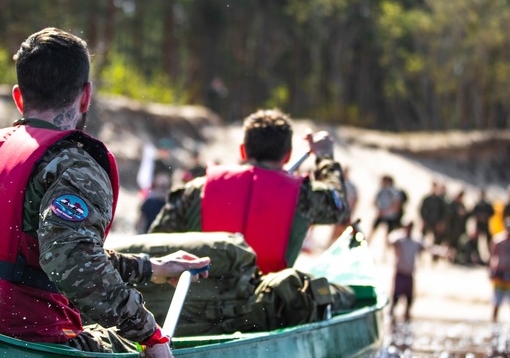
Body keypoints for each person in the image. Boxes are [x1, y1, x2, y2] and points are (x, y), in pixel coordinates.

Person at [0, 27, 209, 358]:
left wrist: (152, 268)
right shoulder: (74, 165)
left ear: (18, 98)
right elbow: (73, 263)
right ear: (86, 96)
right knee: (121, 345)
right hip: (19, 343)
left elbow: (44, 255)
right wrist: (150, 336)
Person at [148, 108, 348, 273]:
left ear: (242, 151)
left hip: (197, 305)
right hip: (262, 307)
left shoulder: (196, 189)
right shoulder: (302, 196)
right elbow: (338, 207)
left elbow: (155, 242)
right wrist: (325, 156)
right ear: (287, 156)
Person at [489, 216, 510, 322]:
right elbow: (491, 257)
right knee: (497, 300)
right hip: (499, 272)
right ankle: (494, 320)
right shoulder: (498, 241)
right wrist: (490, 272)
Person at [328, 164, 358, 247]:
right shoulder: (339, 183)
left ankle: (334, 245)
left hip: (346, 210)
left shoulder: (351, 186)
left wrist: (352, 209)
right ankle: (330, 244)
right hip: (340, 209)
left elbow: (355, 199)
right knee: (336, 228)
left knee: (342, 228)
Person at [369, 174, 404, 247]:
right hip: (381, 214)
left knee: (388, 236)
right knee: (373, 230)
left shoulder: (394, 191)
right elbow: (375, 201)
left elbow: (397, 205)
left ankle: (386, 252)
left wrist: (386, 212)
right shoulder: (381, 190)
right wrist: (378, 209)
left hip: (390, 216)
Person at [418, 181, 447, 247]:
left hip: (435, 223)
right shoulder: (427, 199)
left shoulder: (440, 201)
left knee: (437, 239)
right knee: (422, 237)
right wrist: (423, 220)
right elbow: (421, 210)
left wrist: (440, 223)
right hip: (427, 221)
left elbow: (443, 212)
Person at [469, 189, 495, 263]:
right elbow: (472, 214)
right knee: (476, 242)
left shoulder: (487, 205)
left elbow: (492, 213)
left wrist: (485, 216)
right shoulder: (477, 205)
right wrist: (479, 216)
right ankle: (477, 257)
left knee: (489, 241)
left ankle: (490, 256)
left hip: (486, 226)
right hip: (478, 226)